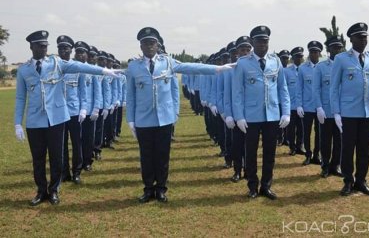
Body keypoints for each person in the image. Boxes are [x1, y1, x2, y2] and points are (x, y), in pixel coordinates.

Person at [125, 27, 232, 203]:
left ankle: (161, 188)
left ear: (157, 45)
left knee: (162, 155)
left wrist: (217, 69)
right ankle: (148, 189)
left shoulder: (167, 63)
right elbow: (130, 95)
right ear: (141, 46)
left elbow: (190, 67)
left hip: (164, 118)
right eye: (145, 43)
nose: (149, 46)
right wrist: (130, 119)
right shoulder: (133, 67)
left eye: (152, 43)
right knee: (146, 156)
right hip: (143, 119)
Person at [14, 30, 120, 206]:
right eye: (40, 46)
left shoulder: (56, 64)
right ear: (31, 47)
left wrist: (104, 71)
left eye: (45, 46)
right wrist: (18, 123)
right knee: (38, 158)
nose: (43, 49)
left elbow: (80, 67)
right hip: (34, 120)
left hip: (56, 118)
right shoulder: (24, 70)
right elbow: (20, 97)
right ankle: (41, 191)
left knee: (57, 156)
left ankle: (54, 190)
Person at [233, 26, 290, 199]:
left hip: (272, 115)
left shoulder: (276, 61)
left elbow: (283, 88)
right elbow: (237, 93)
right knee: (250, 152)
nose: (262, 44)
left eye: (265, 41)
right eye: (259, 41)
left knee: (270, 153)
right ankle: (252, 186)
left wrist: (286, 112)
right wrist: (239, 117)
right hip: (251, 116)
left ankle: (266, 185)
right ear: (252, 43)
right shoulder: (243, 63)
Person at [330, 22, 369, 196]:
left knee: (364, 150)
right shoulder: (341, 59)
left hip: (368, 112)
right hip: (349, 113)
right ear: (351, 39)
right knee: (347, 149)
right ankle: (347, 181)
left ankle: (361, 181)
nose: (363, 40)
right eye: (359, 36)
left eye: (365, 36)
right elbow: (334, 88)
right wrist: (336, 112)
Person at [313, 36, 343, 178]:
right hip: (326, 111)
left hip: (342, 111)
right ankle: (325, 166)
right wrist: (319, 107)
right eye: (334, 47)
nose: (337, 50)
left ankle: (335, 166)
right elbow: (316, 89)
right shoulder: (321, 67)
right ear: (328, 49)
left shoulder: (344, 64)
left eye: (339, 47)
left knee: (340, 141)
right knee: (325, 141)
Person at [60, 38, 89, 184]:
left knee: (77, 143)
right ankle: (64, 172)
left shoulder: (78, 67)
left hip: (74, 112)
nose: (63, 51)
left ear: (71, 51)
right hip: (58, 113)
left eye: (66, 48)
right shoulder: (55, 67)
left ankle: (76, 172)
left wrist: (84, 108)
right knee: (61, 144)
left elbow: (83, 91)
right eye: (61, 48)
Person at [225, 36, 252, 182]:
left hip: (250, 114)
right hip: (236, 115)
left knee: (250, 145)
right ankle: (237, 170)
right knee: (237, 144)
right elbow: (228, 94)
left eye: (248, 49)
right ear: (237, 52)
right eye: (242, 49)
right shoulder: (230, 70)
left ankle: (248, 169)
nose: (245, 52)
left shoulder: (253, 67)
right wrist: (229, 114)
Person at [296, 41, 322, 165]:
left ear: (320, 53)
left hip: (320, 107)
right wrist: (299, 105)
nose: (314, 54)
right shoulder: (302, 68)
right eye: (311, 52)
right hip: (307, 106)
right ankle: (308, 154)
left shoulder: (323, 67)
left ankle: (317, 154)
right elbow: (299, 88)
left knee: (320, 132)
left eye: (316, 52)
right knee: (306, 132)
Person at [285, 47, 305, 156]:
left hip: (302, 105)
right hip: (291, 105)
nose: (299, 58)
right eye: (297, 56)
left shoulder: (305, 69)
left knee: (301, 128)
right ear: (293, 58)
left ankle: (300, 146)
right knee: (291, 129)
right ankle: (292, 147)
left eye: (301, 56)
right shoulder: (286, 71)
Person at [277, 50, 290, 147]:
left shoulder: (290, 70)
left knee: (286, 121)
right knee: (278, 121)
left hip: (286, 100)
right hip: (277, 100)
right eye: (283, 58)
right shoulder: (276, 70)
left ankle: (286, 138)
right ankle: (279, 138)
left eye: (286, 58)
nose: (285, 60)